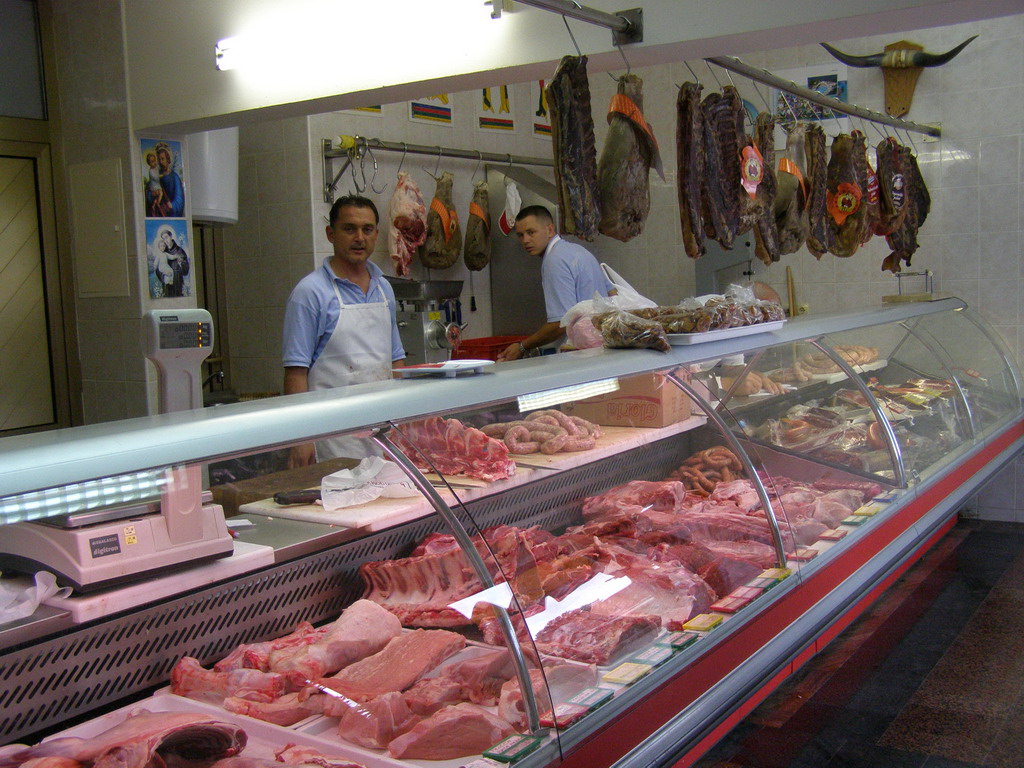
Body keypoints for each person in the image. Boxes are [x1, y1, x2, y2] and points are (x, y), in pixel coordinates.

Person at [282, 195, 405, 465]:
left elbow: (396, 360)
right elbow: (296, 372)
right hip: (333, 433)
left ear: (376, 235)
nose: (359, 238)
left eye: (367, 229)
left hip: (383, 429)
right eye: (349, 229)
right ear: (331, 234)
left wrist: (404, 421)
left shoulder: (384, 288)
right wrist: (301, 438)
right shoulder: (310, 292)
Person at [497, 205, 614, 362]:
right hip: (603, 349)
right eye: (520, 235)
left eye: (531, 232)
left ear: (550, 230)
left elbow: (561, 323)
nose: (525, 240)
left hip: (580, 355)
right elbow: (613, 294)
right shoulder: (580, 251)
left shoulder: (554, 261)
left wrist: (523, 347)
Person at [155, 226, 190, 297]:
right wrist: (163, 274)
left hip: (177, 284)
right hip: (167, 285)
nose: (165, 240)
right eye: (163, 239)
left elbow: (186, 271)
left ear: (171, 236)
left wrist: (181, 264)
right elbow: (157, 269)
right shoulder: (163, 253)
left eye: (166, 237)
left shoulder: (180, 251)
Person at [155, 142, 185, 217]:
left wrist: (172, 205)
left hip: (170, 212)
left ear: (168, 159)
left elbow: (179, 198)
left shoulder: (174, 177)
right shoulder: (156, 177)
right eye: (159, 159)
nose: (161, 162)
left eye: (163, 159)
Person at [144, 150, 170, 217]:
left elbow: (160, 169)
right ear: (149, 163)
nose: (154, 163)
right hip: (154, 187)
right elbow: (156, 178)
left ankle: (155, 204)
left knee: (159, 195)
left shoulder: (157, 167)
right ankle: (157, 203)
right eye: (152, 162)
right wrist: (162, 175)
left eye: (155, 160)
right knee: (160, 193)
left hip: (158, 185)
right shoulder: (151, 171)